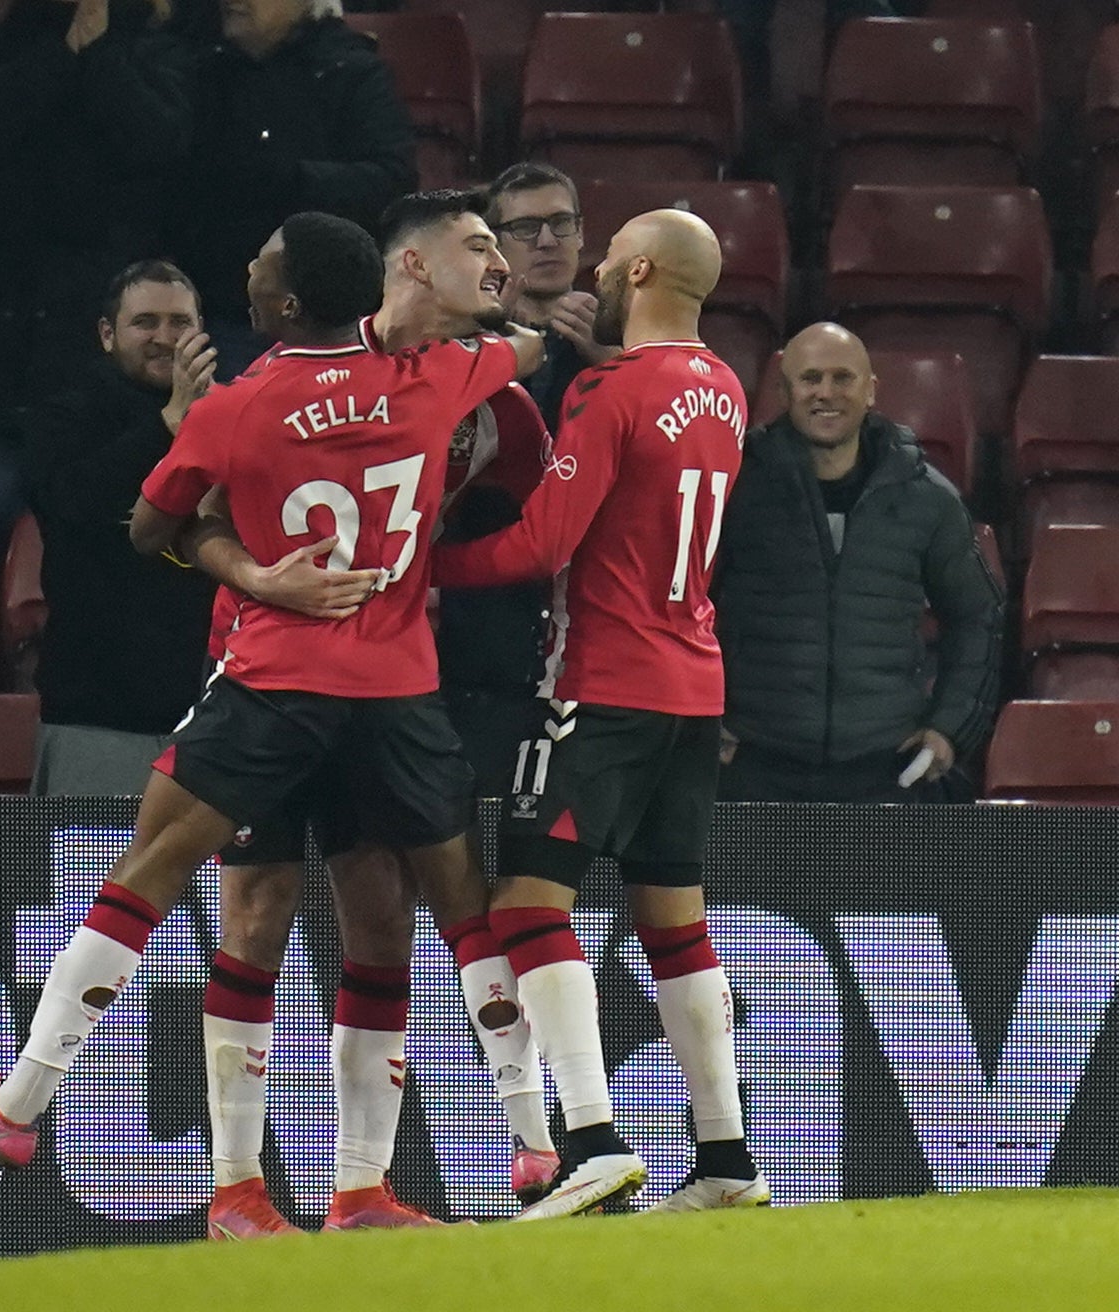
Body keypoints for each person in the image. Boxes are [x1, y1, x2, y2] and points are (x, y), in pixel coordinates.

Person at [0, 214, 544, 1232]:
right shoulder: (446, 377)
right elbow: (524, 344)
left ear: (282, 302)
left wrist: (250, 568)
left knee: (154, 871)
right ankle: (507, 1149)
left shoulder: (236, 408)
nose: (245, 265)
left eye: (260, 262)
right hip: (394, 690)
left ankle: (22, 1103)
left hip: (274, 680)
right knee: (418, 919)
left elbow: (150, 523)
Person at [193, 190, 557, 1237]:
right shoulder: (291, 370)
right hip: (268, 669)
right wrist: (262, 578)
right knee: (255, 915)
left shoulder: (488, 389)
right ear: (409, 266)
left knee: (380, 918)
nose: (497, 264)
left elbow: (527, 499)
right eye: (478, 246)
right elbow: (201, 515)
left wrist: (435, 539)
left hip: (385, 688)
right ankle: (236, 1190)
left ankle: (361, 1191)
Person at [432, 209, 767, 1218]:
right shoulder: (727, 388)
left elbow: (542, 545)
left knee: (528, 907)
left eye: (609, 255)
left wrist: (426, 568)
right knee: (673, 919)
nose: (594, 270)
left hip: (603, 683)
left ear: (643, 268)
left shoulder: (609, 388)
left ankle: (591, 1138)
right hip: (693, 686)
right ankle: (725, 1157)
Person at [0, 0, 194, 558]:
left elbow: (159, 140)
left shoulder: (160, 56)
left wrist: (98, 53)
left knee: (106, 524)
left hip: (107, 368)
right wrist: (63, 53)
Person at [713, 323, 1004, 804]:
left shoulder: (927, 499)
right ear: (784, 391)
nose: (826, 393)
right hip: (753, 765)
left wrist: (949, 729)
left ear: (870, 391)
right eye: (810, 379)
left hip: (883, 769)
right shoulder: (734, 488)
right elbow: (677, 600)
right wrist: (698, 723)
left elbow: (978, 614)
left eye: (842, 378)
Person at [21, 260, 221, 794]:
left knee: (213, 882)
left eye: (180, 322)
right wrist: (170, 423)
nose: (164, 337)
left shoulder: (235, 417)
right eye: (145, 322)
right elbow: (70, 505)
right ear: (107, 335)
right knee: (93, 880)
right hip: (96, 716)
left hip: (214, 721)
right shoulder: (63, 414)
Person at [176, 0, 417, 376]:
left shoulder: (350, 70)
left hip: (331, 323)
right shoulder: (200, 70)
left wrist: (292, 179)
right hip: (223, 311)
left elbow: (392, 179)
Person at [485, 162, 617, 432]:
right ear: (495, 244)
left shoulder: (622, 331)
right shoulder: (467, 336)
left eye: (561, 222)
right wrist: (484, 355)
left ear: (580, 233)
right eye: (525, 227)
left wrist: (614, 363)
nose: (547, 241)